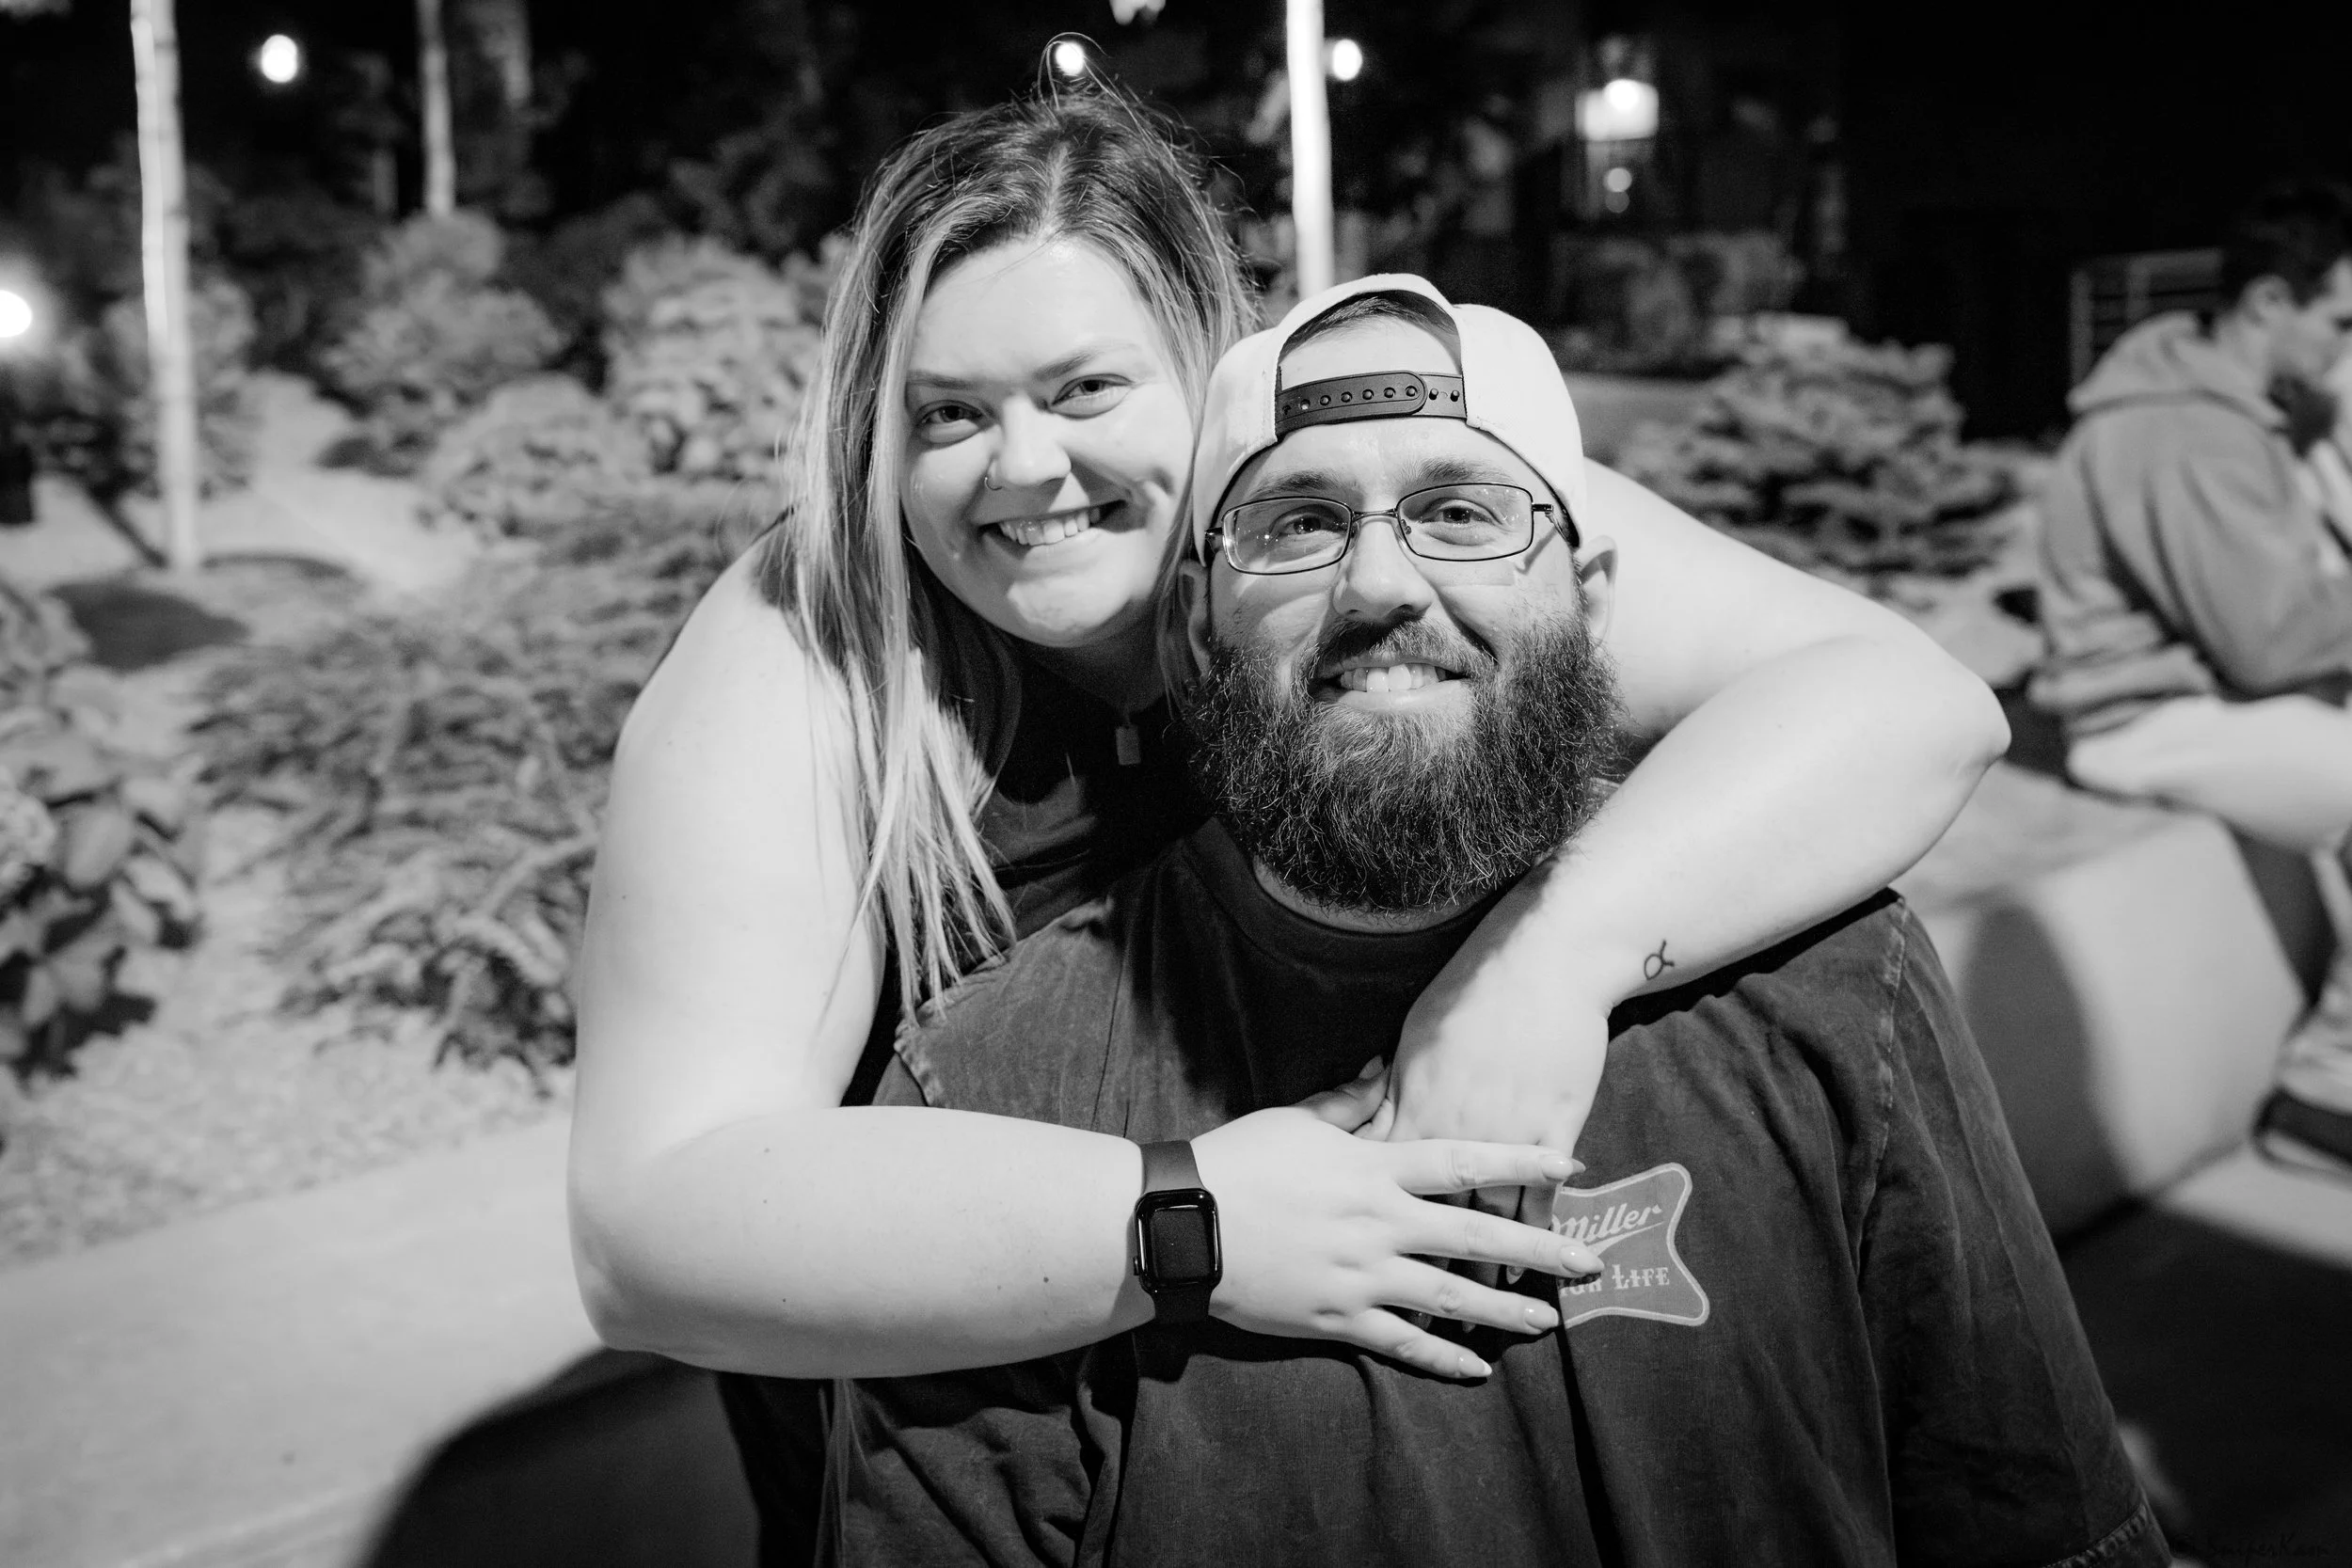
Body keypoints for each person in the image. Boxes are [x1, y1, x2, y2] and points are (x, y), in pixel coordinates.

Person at [568, 87, 2008, 1560]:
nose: (1020, 465)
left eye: (1082, 391)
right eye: (948, 413)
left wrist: (1550, 955)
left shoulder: (1362, 509)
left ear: (1207, 380)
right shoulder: (810, 648)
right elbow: (648, 1231)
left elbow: (1911, 701)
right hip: (978, 1459)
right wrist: (1191, 1220)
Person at [820, 277, 2167, 1566]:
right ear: (1197, 624)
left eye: (1464, 512)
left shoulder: (1834, 987)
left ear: (1587, 596)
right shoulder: (989, 1100)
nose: (1382, 587)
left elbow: (2044, 1529)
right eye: (1294, 523)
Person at [2031, 179, 2352, 1172]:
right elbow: (2271, 641)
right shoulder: (2183, 428)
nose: (2345, 344)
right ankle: (2324, 1092)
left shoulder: (2238, 409)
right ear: (2267, 304)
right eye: (2338, 319)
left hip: (2211, 699)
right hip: (2145, 719)